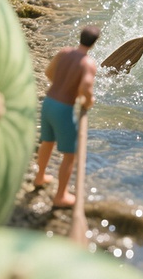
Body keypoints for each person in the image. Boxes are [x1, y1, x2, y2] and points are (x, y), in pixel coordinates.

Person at [34, 24, 99, 208]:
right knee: (70, 155)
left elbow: (48, 73)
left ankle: (39, 178)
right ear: (94, 43)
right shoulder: (88, 63)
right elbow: (85, 87)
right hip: (64, 109)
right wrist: (88, 100)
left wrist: (63, 85)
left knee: (47, 142)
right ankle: (60, 195)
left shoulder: (64, 52)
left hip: (48, 102)